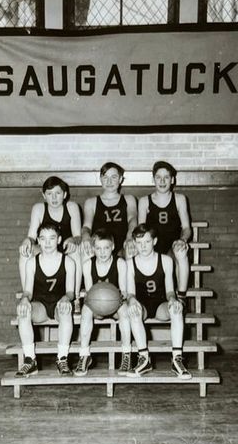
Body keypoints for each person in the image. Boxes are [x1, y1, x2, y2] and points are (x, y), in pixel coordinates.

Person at [125, 224, 190, 379]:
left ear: (154, 241)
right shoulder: (130, 263)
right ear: (134, 243)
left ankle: (177, 359)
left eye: (147, 242)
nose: (143, 246)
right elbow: (130, 293)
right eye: (139, 243)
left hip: (161, 305)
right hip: (142, 306)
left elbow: (169, 290)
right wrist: (132, 300)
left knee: (176, 308)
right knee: (133, 311)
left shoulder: (166, 260)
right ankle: (144, 359)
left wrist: (173, 299)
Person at [16, 222, 76, 377]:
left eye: (51, 238)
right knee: (23, 311)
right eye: (43, 239)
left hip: (58, 304)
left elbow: (70, 292)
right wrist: (24, 299)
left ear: (59, 239)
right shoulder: (32, 262)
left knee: (65, 311)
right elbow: (28, 291)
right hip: (40, 306)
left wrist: (65, 299)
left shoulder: (68, 262)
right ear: (38, 240)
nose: (47, 243)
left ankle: (62, 358)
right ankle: (30, 360)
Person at [76, 229, 132, 376]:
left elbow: (124, 292)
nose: (102, 252)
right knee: (86, 310)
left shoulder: (120, 263)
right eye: (98, 248)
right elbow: (89, 294)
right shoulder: (88, 264)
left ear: (113, 247)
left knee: (125, 311)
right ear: (93, 249)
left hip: (115, 304)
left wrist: (112, 300)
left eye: (106, 248)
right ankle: (84, 355)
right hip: (97, 305)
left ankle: (126, 354)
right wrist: (100, 302)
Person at [18, 176, 82, 297]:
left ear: (64, 194)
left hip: (65, 249)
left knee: (76, 252)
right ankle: (27, 295)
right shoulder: (38, 208)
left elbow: (78, 236)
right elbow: (31, 237)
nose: (54, 198)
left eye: (57, 193)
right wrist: (27, 241)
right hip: (45, 249)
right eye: (49, 193)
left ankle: (76, 297)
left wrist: (73, 239)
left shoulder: (72, 207)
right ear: (44, 195)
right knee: (25, 252)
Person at [137, 161, 192, 299]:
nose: (162, 181)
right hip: (152, 246)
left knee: (181, 251)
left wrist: (182, 240)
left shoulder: (179, 199)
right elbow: (140, 231)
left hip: (172, 245)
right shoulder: (144, 201)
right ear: (153, 179)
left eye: (166, 177)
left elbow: (186, 228)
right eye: (158, 177)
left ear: (172, 180)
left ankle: (181, 297)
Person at [81, 162, 138, 260]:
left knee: (131, 249)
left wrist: (129, 238)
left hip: (122, 245)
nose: (109, 181)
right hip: (100, 247)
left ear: (120, 179)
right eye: (105, 177)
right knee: (85, 248)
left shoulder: (129, 199)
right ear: (100, 180)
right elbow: (86, 227)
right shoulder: (91, 202)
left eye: (114, 177)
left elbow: (132, 220)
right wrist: (86, 237)